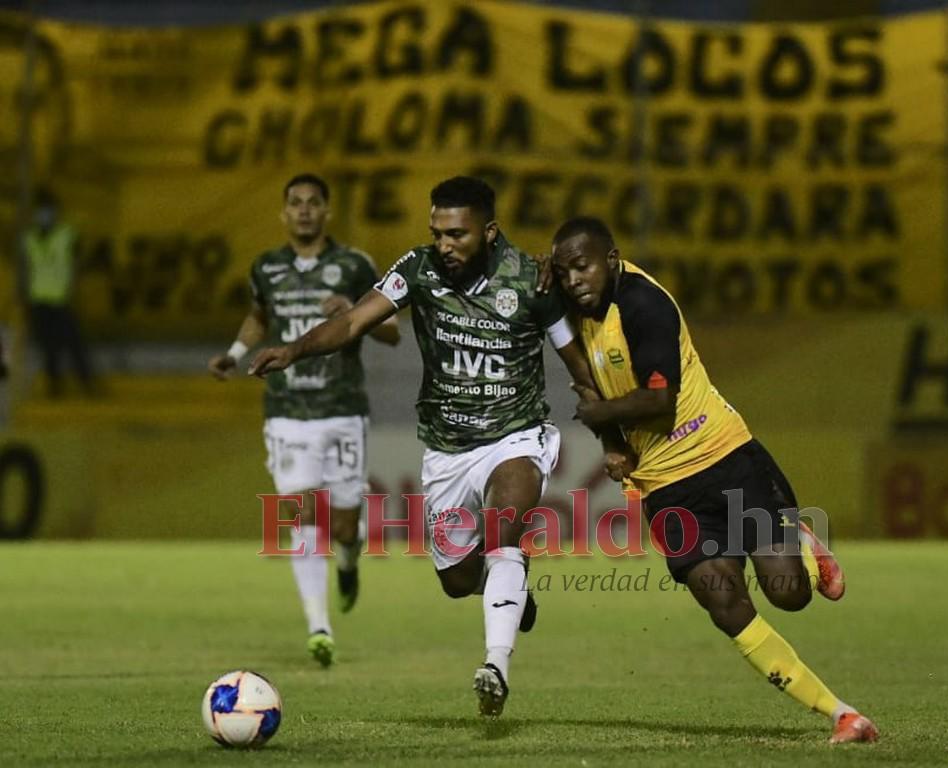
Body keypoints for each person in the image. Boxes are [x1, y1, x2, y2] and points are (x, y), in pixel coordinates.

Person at [250, 176, 601, 717]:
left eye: (457, 234)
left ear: (488, 231)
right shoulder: (417, 270)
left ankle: (495, 666)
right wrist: (294, 349)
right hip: (447, 450)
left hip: (515, 435)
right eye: (437, 233)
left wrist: (616, 440)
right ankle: (506, 589)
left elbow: (577, 363)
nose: (445, 245)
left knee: (506, 529)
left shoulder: (532, 281)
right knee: (457, 580)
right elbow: (352, 322)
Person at [550, 216, 879, 745]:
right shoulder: (569, 305)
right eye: (563, 272)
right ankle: (841, 714)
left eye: (582, 267)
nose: (573, 281)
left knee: (789, 594)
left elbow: (659, 406)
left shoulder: (644, 306)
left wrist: (599, 417)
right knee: (724, 604)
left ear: (611, 259)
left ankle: (802, 543)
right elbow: (585, 378)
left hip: (724, 458)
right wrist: (612, 443)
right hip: (663, 488)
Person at [208, 173, 400, 668]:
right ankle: (319, 626)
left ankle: (349, 562)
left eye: (314, 202)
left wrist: (355, 311)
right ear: (283, 212)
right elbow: (259, 314)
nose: (305, 210)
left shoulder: (355, 265)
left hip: (342, 409)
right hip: (288, 412)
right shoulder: (267, 267)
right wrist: (235, 352)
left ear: (327, 210)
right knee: (302, 513)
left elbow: (393, 332)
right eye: (295, 203)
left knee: (343, 523)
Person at [21, 187, 96, 397]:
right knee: (48, 345)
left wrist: (74, 287)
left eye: (47, 210)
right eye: (40, 211)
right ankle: (55, 386)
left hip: (61, 299)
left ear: (55, 212)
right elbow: (27, 269)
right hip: (38, 300)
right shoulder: (29, 239)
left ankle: (86, 383)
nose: (44, 215)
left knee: (74, 343)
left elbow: (78, 262)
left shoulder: (66, 235)